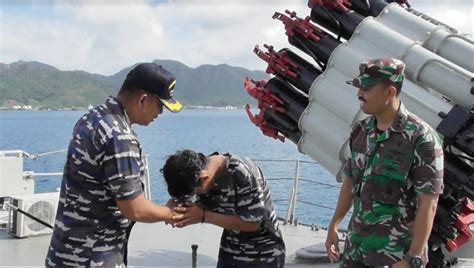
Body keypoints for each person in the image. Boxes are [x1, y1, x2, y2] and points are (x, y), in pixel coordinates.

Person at [45, 62, 184, 267]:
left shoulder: (91, 118)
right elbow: (133, 209)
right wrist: (171, 213)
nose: (161, 113)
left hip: (64, 252)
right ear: (143, 99)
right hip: (94, 256)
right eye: (160, 105)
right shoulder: (121, 137)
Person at [325, 58, 444, 268]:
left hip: (396, 256)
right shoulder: (361, 131)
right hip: (356, 251)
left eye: (367, 88)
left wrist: (412, 258)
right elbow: (351, 181)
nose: (359, 94)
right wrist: (334, 225)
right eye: (360, 87)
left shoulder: (420, 138)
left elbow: (429, 203)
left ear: (390, 92)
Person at [161, 150, 286, 268]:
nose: (195, 196)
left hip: (264, 254)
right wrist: (175, 205)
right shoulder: (197, 170)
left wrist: (204, 216)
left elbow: (252, 224)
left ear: (204, 178)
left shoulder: (242, 173)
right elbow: (202, 204)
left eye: (194, 192)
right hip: (230, 252)